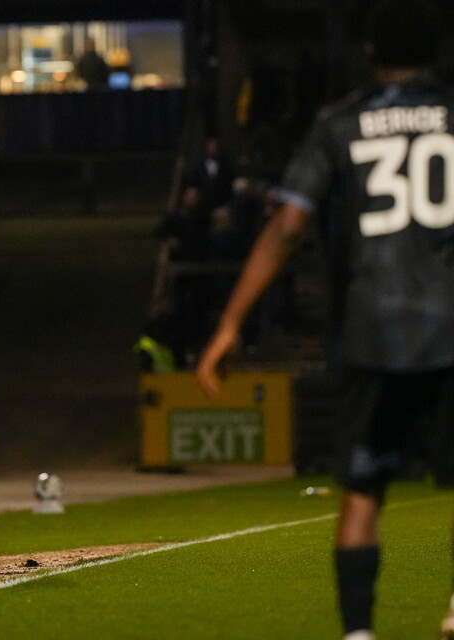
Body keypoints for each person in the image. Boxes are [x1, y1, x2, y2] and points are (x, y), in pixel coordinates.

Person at [194, 2, 454, 639]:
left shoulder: (341, 123)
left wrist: (231, 322)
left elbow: (287, 225)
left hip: (374, 331)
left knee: (362, 493)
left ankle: (359, 633)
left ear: (369, 53)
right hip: (451, 328)